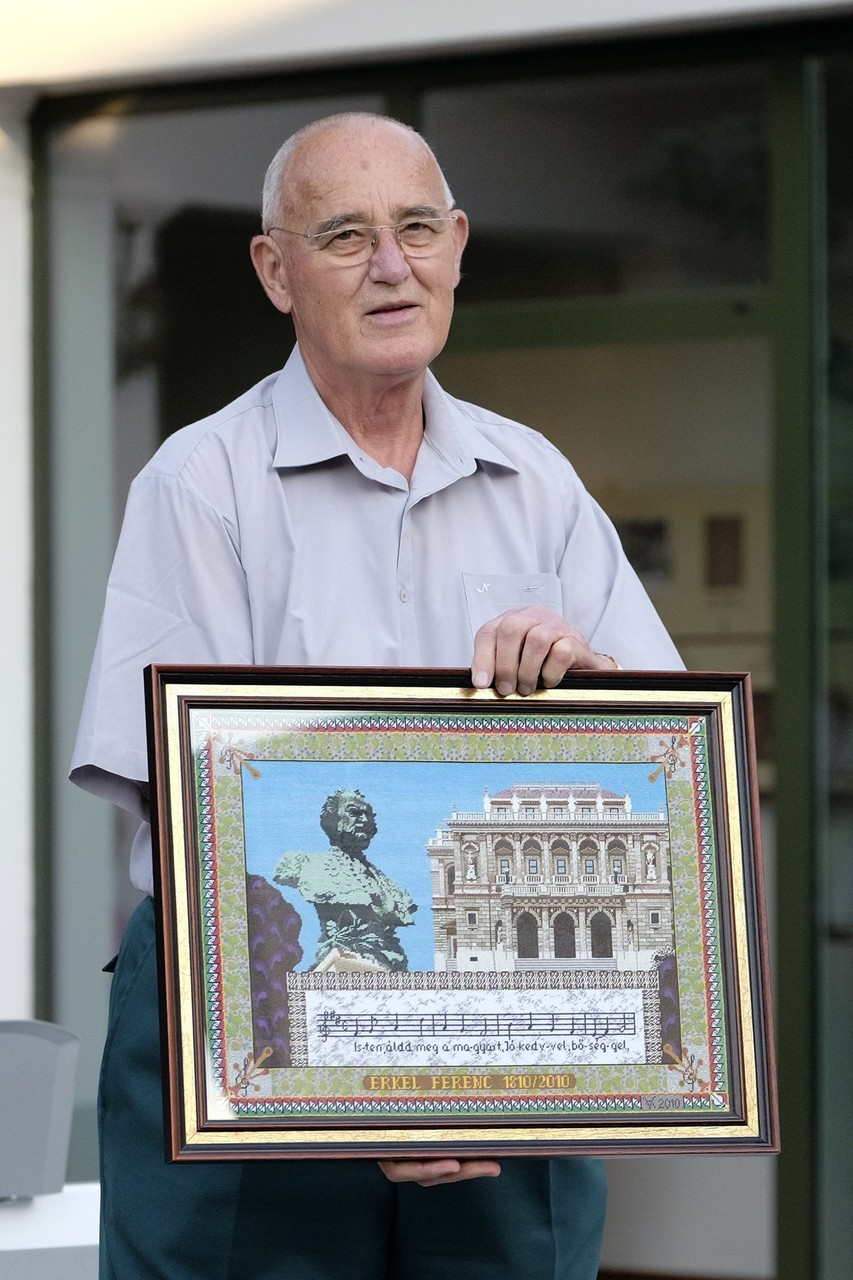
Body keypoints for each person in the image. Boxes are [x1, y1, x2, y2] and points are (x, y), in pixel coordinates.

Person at [71, 112, 682, 1280]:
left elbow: (663, 770)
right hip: (248, 1004)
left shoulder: (537, 480)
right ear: (275, 270)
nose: (392, 266)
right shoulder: (200, 484)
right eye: (345, 236)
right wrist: (364, 1083)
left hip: (506, 1014)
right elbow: (200, 819)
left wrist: (589, 685)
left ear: (457, 246)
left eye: (416, 229)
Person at [274, 788, 417, 971]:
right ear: (334, 819)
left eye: (368, 815)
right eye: (355, 813)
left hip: (388, 965)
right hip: (342, 961)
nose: (365, 820)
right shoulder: (305, 864)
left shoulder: (388, 885)